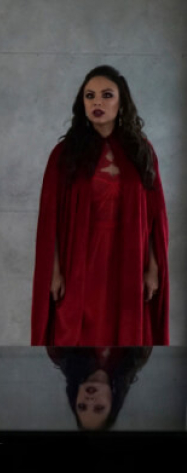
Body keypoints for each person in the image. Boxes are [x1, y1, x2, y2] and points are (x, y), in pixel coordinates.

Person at [32, 65, 169, 346]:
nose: (97, 102)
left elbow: (155, 217)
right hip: (79, 261)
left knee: (126, 336)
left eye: (107, 95)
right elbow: (49, 220)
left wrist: (153, 268)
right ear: (82, 103)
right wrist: (54, 271)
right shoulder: (64, 154)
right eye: (90, 96)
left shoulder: (141, 151)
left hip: (129, 260)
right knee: (77, 336)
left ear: (121, 103)